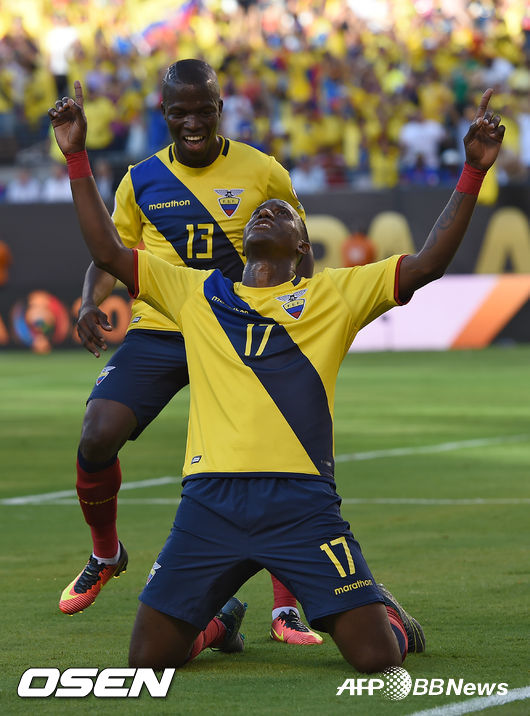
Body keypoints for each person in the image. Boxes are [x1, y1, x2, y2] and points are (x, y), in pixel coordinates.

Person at [49, 82, 504, 671]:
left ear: (302, 244)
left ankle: (379, 612)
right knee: (147, 660)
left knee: (378, 659)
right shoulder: (197, 293)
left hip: (301, 504)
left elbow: (429, 262)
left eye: (281, 213)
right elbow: (110, 252)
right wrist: (76, 158)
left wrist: (472, 170)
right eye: (260, 212)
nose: (267, 211)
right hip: (210, 503)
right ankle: (218, 623)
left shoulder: (334, 295)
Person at [56, 60, 320, 646]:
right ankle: (107, 554)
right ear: (164, 114)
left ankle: (285, 609)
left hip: (238, 333)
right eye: (180, 113)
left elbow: (298, 248)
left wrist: (299, 315)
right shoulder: (140, 180)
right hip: (162, 327)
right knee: (97, 434)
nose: (193, 123)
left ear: (221, 108)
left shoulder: (262, 171)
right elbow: (112, 252)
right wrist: (88, 302)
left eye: (204, 111)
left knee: (278, 452)